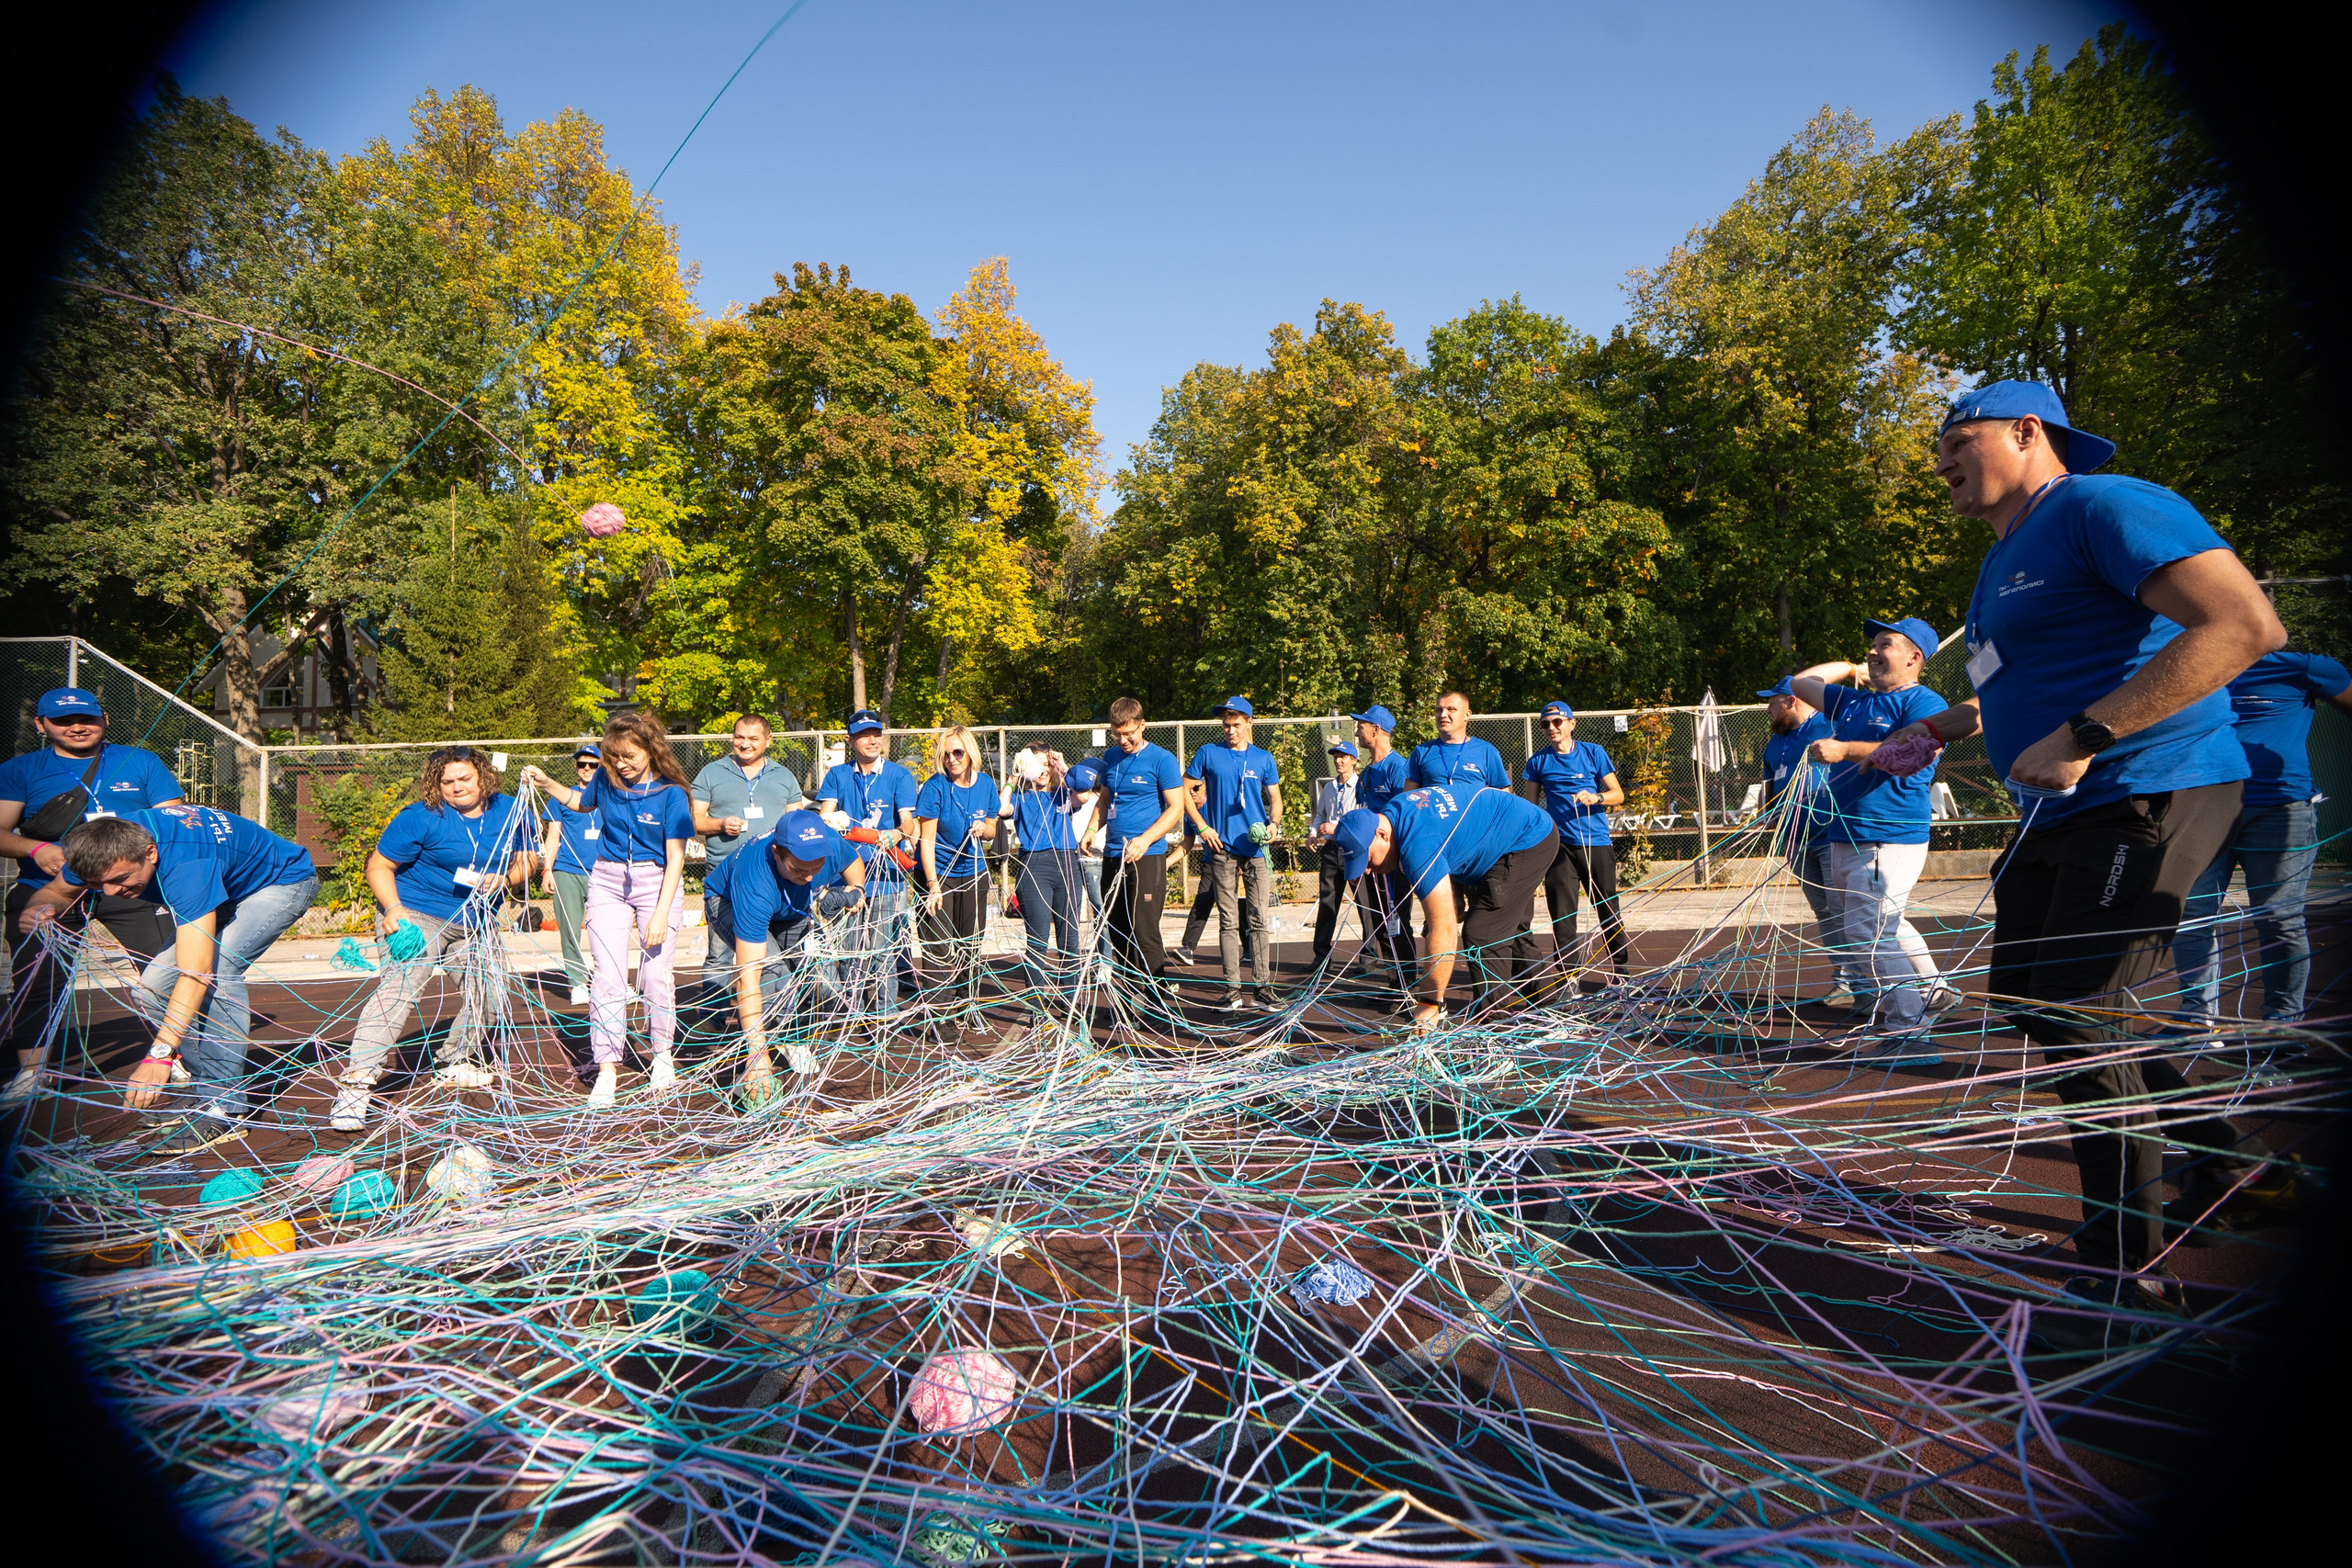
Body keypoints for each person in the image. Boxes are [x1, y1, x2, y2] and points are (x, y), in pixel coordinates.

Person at [1877, 378, 2290, 1316]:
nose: (1941, 462)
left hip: (2150, 785)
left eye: (1958, 440)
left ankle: (2127, 1278)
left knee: (2080, 1009)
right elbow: (2013, 682)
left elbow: (2243, 625)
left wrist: (2085, 734)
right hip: (2060, 813)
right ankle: (2237, 1162)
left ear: (2029, 432)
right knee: (2038, 1004)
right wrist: (1936, 730)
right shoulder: (2001, 561)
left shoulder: (2103, 505)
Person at [21, 806, 316, 1154]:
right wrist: (37, 907)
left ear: (150, 852)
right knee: (152, 987)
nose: (109, 893)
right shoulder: (97, 851)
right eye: (97, 885)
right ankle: (203, 1087)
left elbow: (197, 973)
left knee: (218, 970)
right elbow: (55, 892)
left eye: (119, 879)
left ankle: (224, 1106)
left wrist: (159, 1056)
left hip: (279, 882)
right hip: (221, 883)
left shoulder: (186, 866)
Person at [332, 748, 537, 1131]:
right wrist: (393, 908)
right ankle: (356, 1083)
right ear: (436, 785)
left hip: (476, 919)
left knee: (492, 992)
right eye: (447, 782)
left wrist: (507, 879)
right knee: (401, 986)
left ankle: (453, 1059)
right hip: (416, 912)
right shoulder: (420, 817)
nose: (457, 787)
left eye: (465, 778)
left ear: (483, 777)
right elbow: (378, 865)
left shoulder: (512, 810)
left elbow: (529, 858)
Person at [0, 686, 186, 1101]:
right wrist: (36, 849)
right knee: (37, 980)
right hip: (49, 886)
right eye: (63, 721)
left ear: (104, 719)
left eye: (86, 718)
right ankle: (32, 1075)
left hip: (133, 886)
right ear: (41, 725)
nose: (77, 727)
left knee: (163, 971)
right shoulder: (19, 769)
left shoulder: (141, 761)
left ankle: (171, 1055)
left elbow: (174, 819)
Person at [1791, 617, 1957, 1062]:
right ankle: (1934, 993)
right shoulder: (1855, 701)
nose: (1873, 651)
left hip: (1887, 832)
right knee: (1879, 926)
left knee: (1869, 933)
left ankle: (1910, 1031)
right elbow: (1799, 683)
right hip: (1846, 832)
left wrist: (1846, 749)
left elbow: (1922, 750)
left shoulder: (1923, 700)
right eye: (1872, 645)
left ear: (1914, 657)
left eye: (1885, 644)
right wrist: (1849, 668)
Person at [2170, 649, 2352, 1031]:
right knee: (2192, 914)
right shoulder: (2188, 666)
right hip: (2204, 808)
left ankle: (2282, 1024)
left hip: (2279, 809)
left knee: (2278, 917)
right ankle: (2197, 1020)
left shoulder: (2302, 667)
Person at [521, 713, 695, 1108]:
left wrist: (659, 913)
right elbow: (579, 803)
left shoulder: (671, 794)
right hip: (608, 880)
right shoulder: (606, 779)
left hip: (657, 881)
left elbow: (676, 857)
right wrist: (547, 782)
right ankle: (607, 1067)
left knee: (655, 974)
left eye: (629, 755)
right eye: (613, 756)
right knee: (608, 977)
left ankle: (662, 1055)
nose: (620, 763)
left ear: (651, 750)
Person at [1329, 784, 1558, 1024]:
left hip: (1527, 838)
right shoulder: (1393, 812)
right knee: (1506, 927)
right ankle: (1550, 1006)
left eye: (1367, 859)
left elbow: (1444, 929)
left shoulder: (1416, 846)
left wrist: (1429, 1003)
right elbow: (1450, 835)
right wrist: (1456, 893)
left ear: (1382, 835)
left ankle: (1495, 1029)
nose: (1367, 870)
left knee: (1483, 933)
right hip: (1513, 834)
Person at [709, 812, 865, 1103]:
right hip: (728, 901)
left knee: (811, 975)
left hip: (791, 909)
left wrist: (857, 888)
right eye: (799, 869)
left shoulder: (829, 843)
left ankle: (789, 1036)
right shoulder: (754, 882)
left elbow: (852, 861)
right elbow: (747, 977)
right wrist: (757, 1056)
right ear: (777, 852)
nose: (809, 876)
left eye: (816, 868)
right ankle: (754, 1060)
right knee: (773, 973)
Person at [691, 714, 807, 1028]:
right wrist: (719, 824)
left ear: (768, 741)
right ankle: (712, 1019)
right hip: (726, 881)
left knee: (774, 954)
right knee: (720, 952)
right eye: (739, 737)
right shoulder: (711, 772)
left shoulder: (784, 777)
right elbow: (694, 819)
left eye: (753, 738)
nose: (745, 744)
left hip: (773, 879)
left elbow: (796, 823)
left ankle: (776, 1023)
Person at [1757, 678, 1860, 1008]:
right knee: (1824, 912)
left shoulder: (1831, 726)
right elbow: (1769, 787)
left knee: (1844, 910)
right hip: (1795, 840)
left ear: (1791, 700)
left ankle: (1865, 984)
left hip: (1831, 836)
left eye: (1772, 702)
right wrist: (1767, 815)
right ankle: (1844, 982)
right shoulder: (1775, 742)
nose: (1768, 709)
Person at [1184, 696, 1284, 1011]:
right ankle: (1232, 991)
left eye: (1236, 725)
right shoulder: (1208, 753)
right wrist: (1202, 826)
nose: (1230, 730)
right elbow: (1184, 790)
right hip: (1222, 848)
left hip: (1255, 849)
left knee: (1259, 919)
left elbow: (1276, 799)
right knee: (1228, 921)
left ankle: (1262, 989)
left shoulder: (1264, 758)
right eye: (1226, 725)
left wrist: (1274, 824)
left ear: (1249, 723)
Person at [816, 709, 921, 1010]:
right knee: (850, 952)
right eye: (864, 736)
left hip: (886, 876)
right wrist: (830, 820)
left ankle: (885, 1015)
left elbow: (908, 822)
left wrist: (897, 834)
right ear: (850, 740)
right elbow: (825, 815)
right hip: (847, 877)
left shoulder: (899, 775)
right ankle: (854, 1013)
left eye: (876, 734)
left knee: (883, 952)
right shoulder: (837, 775)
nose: (872, 741)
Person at [1521, 701, 1630, 981]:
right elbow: (1530, 807)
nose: (1551, 728)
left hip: (1596, 843)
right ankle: (1569, 977)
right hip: (1559, 848)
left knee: (1607, 908)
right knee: (1562, 914)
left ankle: (1621, 972)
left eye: (1557, 722)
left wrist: (1596, 797)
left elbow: (1618, 794)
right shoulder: (1538, 762)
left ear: (1572, 723)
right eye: (1545, 724)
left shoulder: (1593, 752)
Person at [1086, 697, 1187, 991]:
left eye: (1128, 734)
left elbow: (1176, 808)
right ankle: (1130, 996)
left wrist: (1145, 839)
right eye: (1116, 734)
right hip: (1113, 855)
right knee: (1116, 928)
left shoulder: (1162, 759)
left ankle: (1158, 999)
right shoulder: (1111, 757)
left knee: (1143, 931)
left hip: (1147, 855)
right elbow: (1105, 800)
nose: (1123, 740)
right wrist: (1092, 828)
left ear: (1142, 725)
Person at [915, 725, 1001, 1043]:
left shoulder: (986, 785)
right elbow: (926, 840)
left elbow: (992, 829)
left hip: (974, 873)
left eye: (958, 752)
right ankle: (940, 1017)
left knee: (970, 943)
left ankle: (967, 1004)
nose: (951, 759)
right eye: (946, 754)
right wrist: (932, 884)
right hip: (938, 873)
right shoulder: (935, 787)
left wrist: (983, 829)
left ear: (970, 754)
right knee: (938, 947)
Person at [1001, 745, 1096, 1012]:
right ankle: (1036, 1005)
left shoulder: (1062, 793)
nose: (1042, 770)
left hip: (1066, 864)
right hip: (1035, 866)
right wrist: (1014, 776)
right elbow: (1001, 808)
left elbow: (1084, 795)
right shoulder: (1022, 797)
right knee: (1038, 939)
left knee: (1070, 939)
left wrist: (1061, 767)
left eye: (1046, 764)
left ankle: (1070, 1002)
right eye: (1036, 765)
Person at [1351, 705, 1414, 980]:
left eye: (1361, 726)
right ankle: (1393, 980)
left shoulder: (1398, 768)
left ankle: (1408, 983)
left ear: (1376, 730)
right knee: (1379, 920)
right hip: (1371, 860)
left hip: (1393, 861)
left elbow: (1406, 814)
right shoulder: (1366, 773)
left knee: (1397, 919)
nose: (1357, 732)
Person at [538, 744, 602, 1005]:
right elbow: (553, 836)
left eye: (593, 764)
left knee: (606, 931)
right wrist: (547, 869)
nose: (587, 768)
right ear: (575, 767)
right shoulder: (561, 797)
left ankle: (609, 981)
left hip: (604, 872)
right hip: (567, 870)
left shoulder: (612, 794)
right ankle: (577, 982)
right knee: (569, 929)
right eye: (582, 764)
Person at [1307, 739, 1361, 967]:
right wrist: (1313, 833)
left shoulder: (1361, 787)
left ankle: (1369, 957)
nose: (1338, 761)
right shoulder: (1329, 788)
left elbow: (1362, 820)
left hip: (1354, 850)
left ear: (1354, 760)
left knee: (1364, 903)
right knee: (1327, 903)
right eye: (1336, 757)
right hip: (1331, 851)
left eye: (1343, 757)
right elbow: (1320, 815)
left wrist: (1336, 828)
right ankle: (1321, 957)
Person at [1408, 691, 1510, 793]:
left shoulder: (1486, 751)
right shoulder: (1422, 751)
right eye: (1439, 710)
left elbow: (1504, 796)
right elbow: (1408, 797)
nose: (1443, 714)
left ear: (1467, 715)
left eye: (1451, 709)